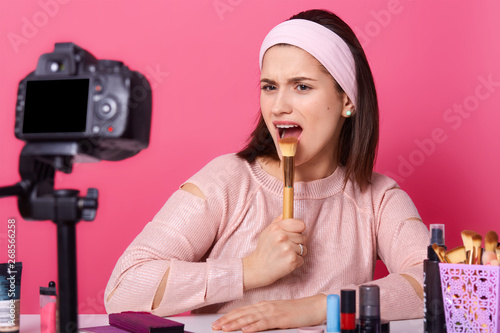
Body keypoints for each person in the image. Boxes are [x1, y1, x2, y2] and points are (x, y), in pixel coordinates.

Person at [104, 9, 428, 332]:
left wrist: (314, 308)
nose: (278, 107)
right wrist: (249, 269)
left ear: (347, 100)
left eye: (301, 87)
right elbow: (122, 289)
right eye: (270, 86)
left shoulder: (377, 196)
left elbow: (435, 282)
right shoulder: (228, 181)